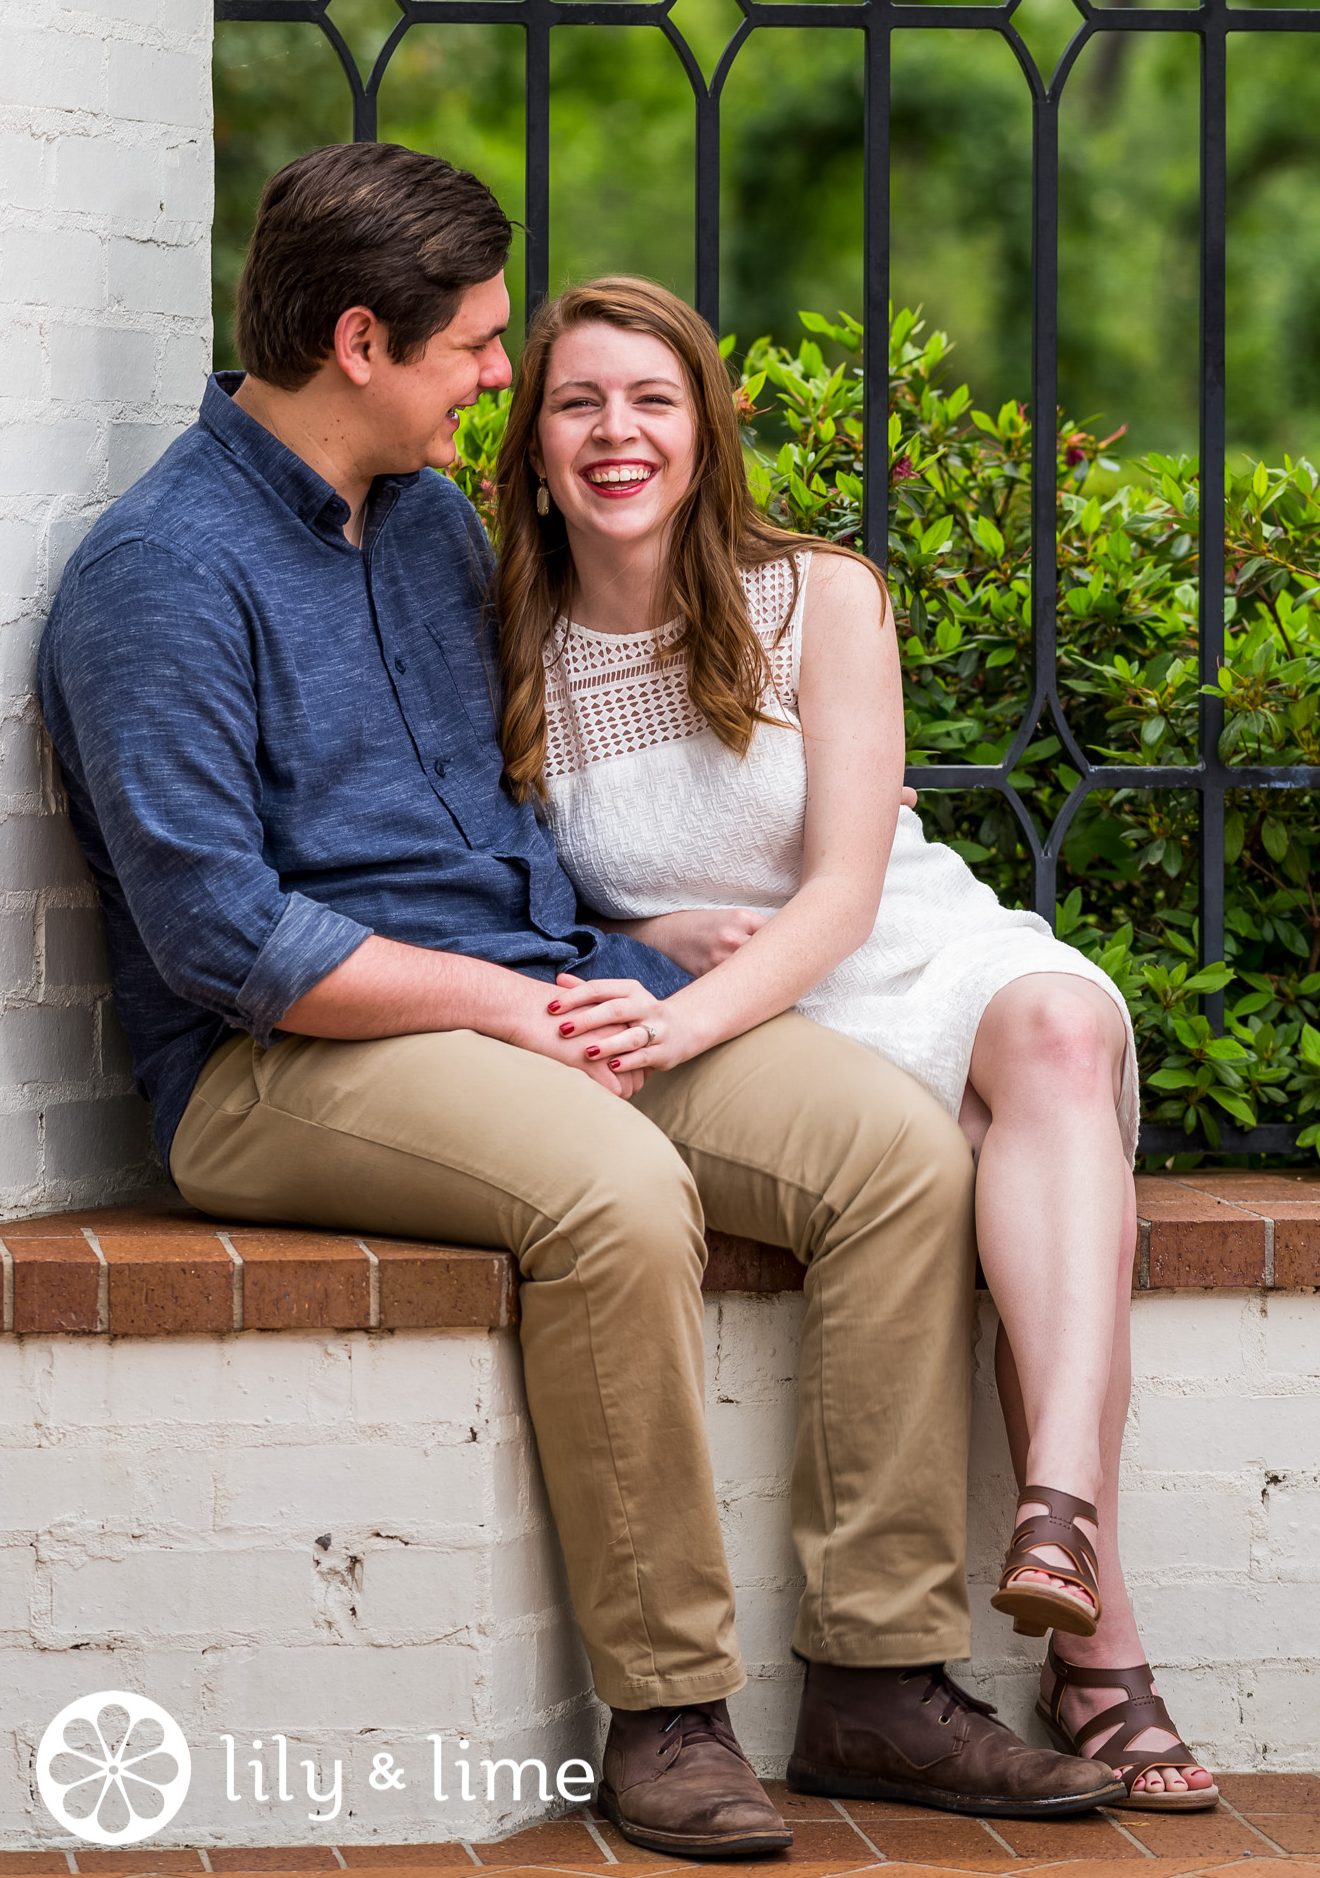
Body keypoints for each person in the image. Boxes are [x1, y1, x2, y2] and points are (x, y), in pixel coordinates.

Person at [37, 143, 1121, 1858]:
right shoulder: (159, 577)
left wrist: (630, 944)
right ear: (360, 344)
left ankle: (874, 1679)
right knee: (614, 1196)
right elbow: (222, 934)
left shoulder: (424, 529)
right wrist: (487, 998)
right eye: (474, 347)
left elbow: (528, 790)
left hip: (538, 992)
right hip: (285, 1059)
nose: (496, 375)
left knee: (896, 1158)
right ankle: (670, 1711)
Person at [492, 275, 1218, 1812]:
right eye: (577, 402)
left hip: (885, 949)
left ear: (704, 430)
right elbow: (488, 870)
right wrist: (648, 950)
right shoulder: (506, 644)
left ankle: (1061, 1515)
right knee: (975, 1171)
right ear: (532, 442)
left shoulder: (819, 593)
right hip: (755, 1029)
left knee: (1059, 1030)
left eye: (651, 400)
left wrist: (683, 1004)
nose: (616, 433)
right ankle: (1102, 1657)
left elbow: (838, 889)